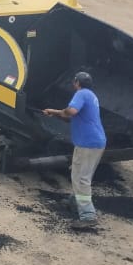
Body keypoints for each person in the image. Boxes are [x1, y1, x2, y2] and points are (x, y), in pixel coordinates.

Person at [42, 71, 106, 228]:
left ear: (77, 82)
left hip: (87, 143)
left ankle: (88, 216)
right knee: (82, 174)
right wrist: (55, 113)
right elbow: (72, 116)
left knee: (80, 178)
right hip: (96, 141)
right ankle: (75, 200)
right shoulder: (91, 95)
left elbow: (71, 111)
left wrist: (57, 111)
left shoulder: (81, 94)